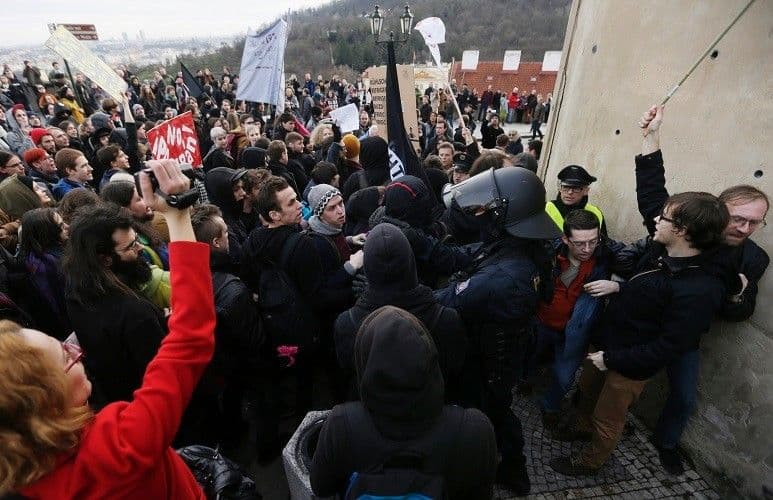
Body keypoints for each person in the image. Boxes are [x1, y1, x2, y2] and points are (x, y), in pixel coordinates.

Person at [2, 160, 216, 499]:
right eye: (65, 357)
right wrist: (178, 216)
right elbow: (190, 337)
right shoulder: (120, 448)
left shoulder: (23, 485)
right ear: (45, 398)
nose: (76, 350)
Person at [550, 191, 729, 476]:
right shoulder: (660, 252)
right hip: (606, 345)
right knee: (586, 393)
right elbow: (647, 295)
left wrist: (612, 359)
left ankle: (590, 462)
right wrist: (619, 290)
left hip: (628, 365)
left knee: (607, 417)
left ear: (681, 230)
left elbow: (669, 345)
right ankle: (581, 428)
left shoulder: (700, 289)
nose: (656, 219)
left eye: (665, 216)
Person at [633, 105, 770, 473]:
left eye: (754, 222)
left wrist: (734, 295)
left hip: (684, 337)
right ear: (718, 210)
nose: (743, 228)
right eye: (737, 218)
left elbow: (740, 313)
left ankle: (665, 442)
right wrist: (651, 138)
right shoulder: (689, 227)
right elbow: (652, 197)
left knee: (684, 396)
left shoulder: (753, 260)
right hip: (642, 317)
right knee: (616, 375)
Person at [435, 167, 561, 494]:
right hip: (509, 349)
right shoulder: (527, 243)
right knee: (501, 408)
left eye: (487, 211)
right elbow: (476, 254)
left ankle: (495, 473)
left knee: (487, 413)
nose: (481, 216)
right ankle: (515, 470)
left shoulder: (504, 277)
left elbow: (445, 302)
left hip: (489, 358)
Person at [311, 305, 497, 499]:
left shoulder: (341, 424)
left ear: (363, 364)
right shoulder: (474, 430)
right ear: (431, 360)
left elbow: (321, 486)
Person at [534, 210, 618, 428]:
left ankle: (550, 406)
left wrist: (618, 286)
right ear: (565, 239)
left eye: (593, 241)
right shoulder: (548, 252)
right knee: (530, 358)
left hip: (575, 333)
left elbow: (643, 273)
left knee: (564, 377)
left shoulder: (605, 256)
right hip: (540, 324)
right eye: (580, 243)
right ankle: (526, 379)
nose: (587, 249)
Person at [19, 208, 71, 340]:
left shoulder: (40, 256)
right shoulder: (47, 265)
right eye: (60, 225)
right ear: (48, 232)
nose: (67, 226)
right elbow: (60, 305)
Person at [545, 164, 607, 235]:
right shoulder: (546, 209)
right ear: (560, 188)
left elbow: (603, 243)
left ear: (586, 191)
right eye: (566, 187)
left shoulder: (596, 213)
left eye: (576, 188)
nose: (570, 192)